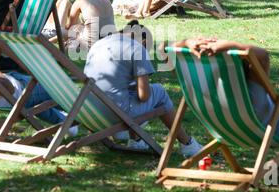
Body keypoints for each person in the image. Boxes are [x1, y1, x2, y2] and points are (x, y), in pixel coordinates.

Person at [171, 37, 279, 169]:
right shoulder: (251, 87)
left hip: (223, 130)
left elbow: (167, 49)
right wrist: (232, 45)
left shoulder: (201, 84)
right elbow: (262, 54)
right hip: (272, 130)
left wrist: (187, 41)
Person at [83, 20, 202, 157]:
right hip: (114, 113)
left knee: (129, 91)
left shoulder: (99, 44)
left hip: (89, 110)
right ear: (144, 42)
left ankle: (136, 140)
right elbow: (144, 96)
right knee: (159, 92)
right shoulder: (136, 48)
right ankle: (187, 144)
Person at [0, 61, 78, 136]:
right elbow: (8, 87)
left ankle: (64, 121)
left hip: (20, 91)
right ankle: (84, 113)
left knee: (36, 105)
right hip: (23, 92)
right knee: (62, 89)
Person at [42, 0, 116, 53]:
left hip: (91, 43)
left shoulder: (81, 1)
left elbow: (69, 29)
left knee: (64, 31)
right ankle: (48, 42)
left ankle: (47, 43)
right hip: (110, 40)